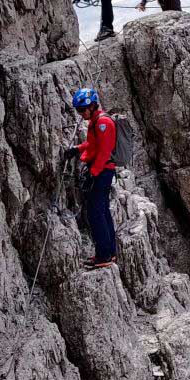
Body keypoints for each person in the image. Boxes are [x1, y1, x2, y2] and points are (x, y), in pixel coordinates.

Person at [70, 87, 117, 269]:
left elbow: (104, 152)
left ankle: (104, 255)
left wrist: (93, 173)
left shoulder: (103, 123)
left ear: (92, 105)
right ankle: (108, 252)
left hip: (102, 172)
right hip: (102, 171)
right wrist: (77, 149)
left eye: (83, 110)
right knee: (103, 211)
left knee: (96, 213)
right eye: (78, 111)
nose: (81, 114)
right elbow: (93, 144)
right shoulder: (97, 121)